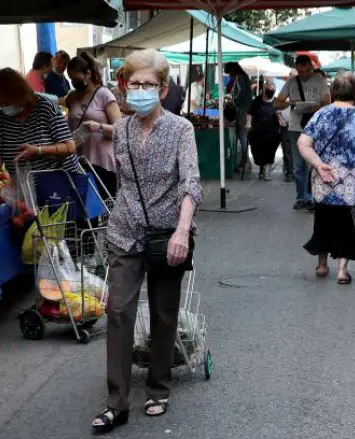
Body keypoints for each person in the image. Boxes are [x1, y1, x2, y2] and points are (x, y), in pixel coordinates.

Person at [91, 49, 202, 434]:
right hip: (124, 231)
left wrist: (182, 231)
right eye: (133, 84)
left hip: (166, 235)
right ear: (124, 86)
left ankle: (158, 387)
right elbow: (122, 182)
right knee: (118, 311)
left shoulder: (181, 129)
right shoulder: (120, 128)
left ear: (164, 87)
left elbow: (190, 183)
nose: (140, 90)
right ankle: (116, 402)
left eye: (148, 85)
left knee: (163, 313)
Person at [298, 72, 355, 284]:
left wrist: (318, 164)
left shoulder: (321, 114)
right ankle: (342, 270)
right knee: (347, 223)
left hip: (324, 179)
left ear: (333, 91)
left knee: (323, 219)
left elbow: (303, 144)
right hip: (352, 183)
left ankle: (322, 265)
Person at [0, 68, 78, 200]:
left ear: (19, 95)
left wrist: (38, 150)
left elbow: (69, 147)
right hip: (26, 189)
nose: (3, 107)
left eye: (6, 102)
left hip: (58, 187)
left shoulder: (45, 108)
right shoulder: (1, 119)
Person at [276, 55, 331, 211]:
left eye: (305, 71)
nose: (303, 74)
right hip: (295, 127)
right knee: (299, 166)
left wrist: (315, 107)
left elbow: (327, 102)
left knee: (316, 163)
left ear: (310, 67)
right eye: (300, 71)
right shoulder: (291, 82)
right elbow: (277, 103)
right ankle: (302, 197)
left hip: (316, 128)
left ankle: (316, 197)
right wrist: (291, 103)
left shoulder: (320, 81)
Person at [66, 52, 122, 198]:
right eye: (70, 78)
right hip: (78, 163)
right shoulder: (72, 97)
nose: (73, 82)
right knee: (82, 214)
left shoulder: (104, 95)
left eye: (76, 78)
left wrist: (100, 127)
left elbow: (120, 130)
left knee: (102, 211)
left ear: (88, 74)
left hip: (102, 164)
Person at [247, 79, 281, 181]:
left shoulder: (277, 101)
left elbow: (281, 114)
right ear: (264, 88)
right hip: (257, 132)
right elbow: (250, 113)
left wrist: (282, 120)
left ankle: (267, 172)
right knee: (257, 152)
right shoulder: (257, 101)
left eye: (272, 88)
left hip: (272, 132)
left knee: (270, 152)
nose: (270, 89)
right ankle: (262, 167)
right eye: (268, 87)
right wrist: (248, 123)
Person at [225, 62, 253, 173]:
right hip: (245, 110)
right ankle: (244, 162)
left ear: (233, 70)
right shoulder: (244, 77)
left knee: (242, 136)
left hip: (243, 110)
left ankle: (245, 163)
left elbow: (241, 92)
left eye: (229, 73)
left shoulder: (240, 77)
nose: (229, 76)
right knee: (243, 137)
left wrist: (234, 101)